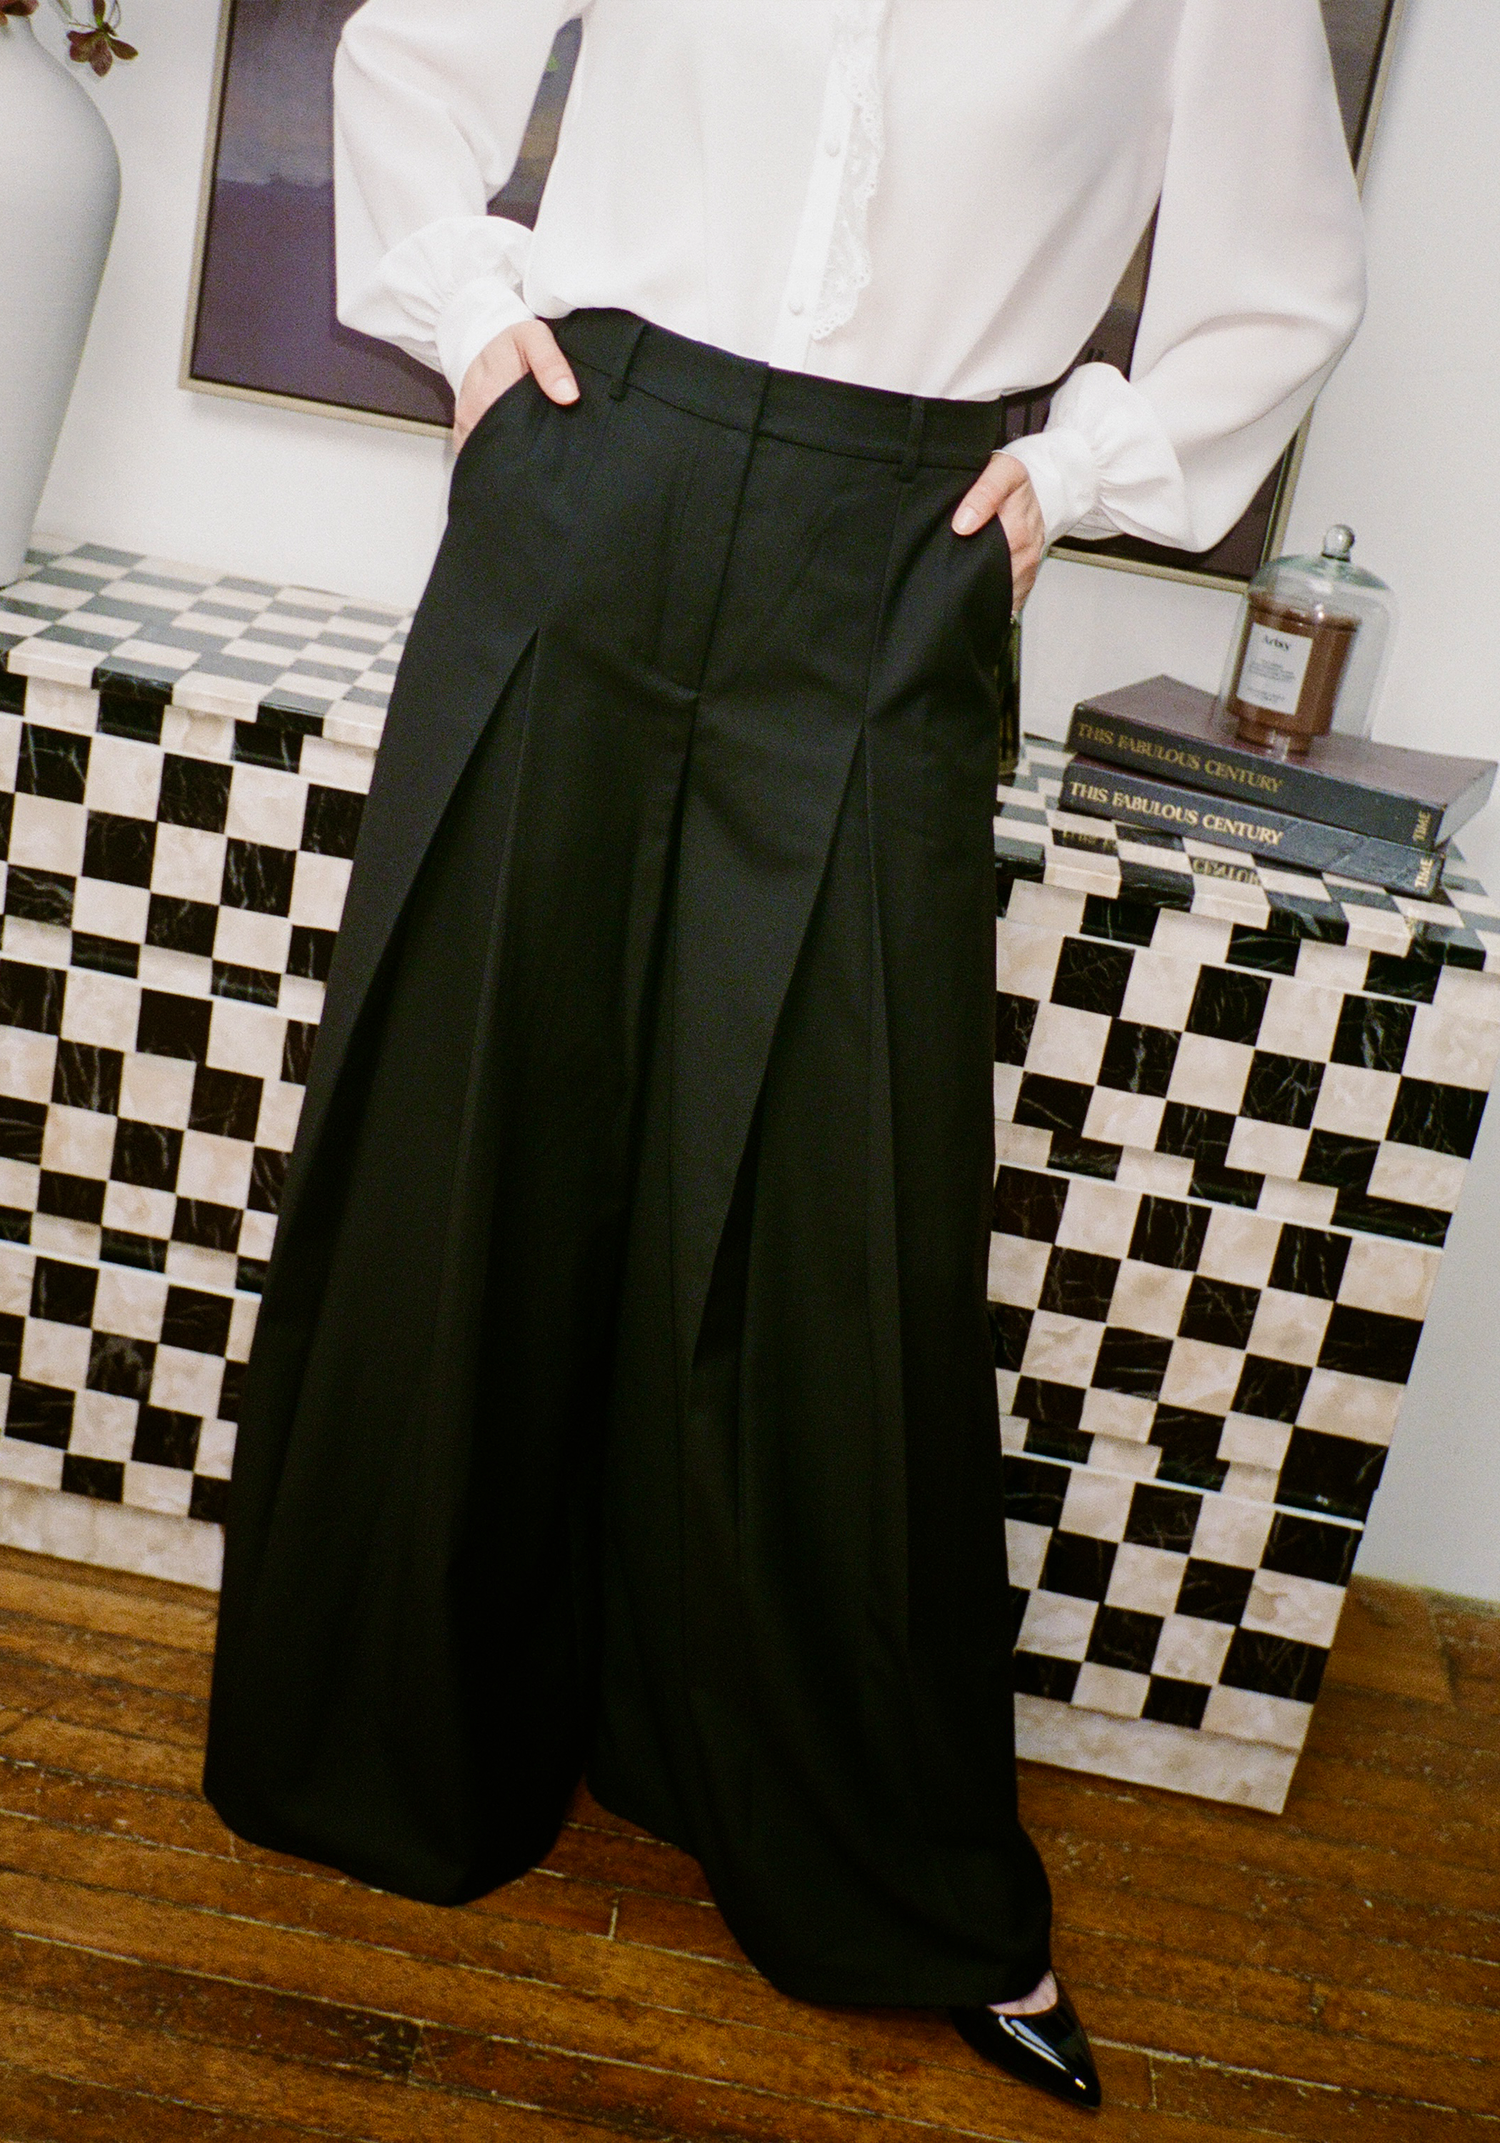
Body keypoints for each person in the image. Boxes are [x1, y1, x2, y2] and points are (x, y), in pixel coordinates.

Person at [203, 0, 1365, 2114]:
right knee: (478, 1107)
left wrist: (1072, 472)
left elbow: (1280, 278)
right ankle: (391, 1728)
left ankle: (881, 1861)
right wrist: (476, 322)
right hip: (592, 474)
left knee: (847, 1197)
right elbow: (412, 59)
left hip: (904, 543)